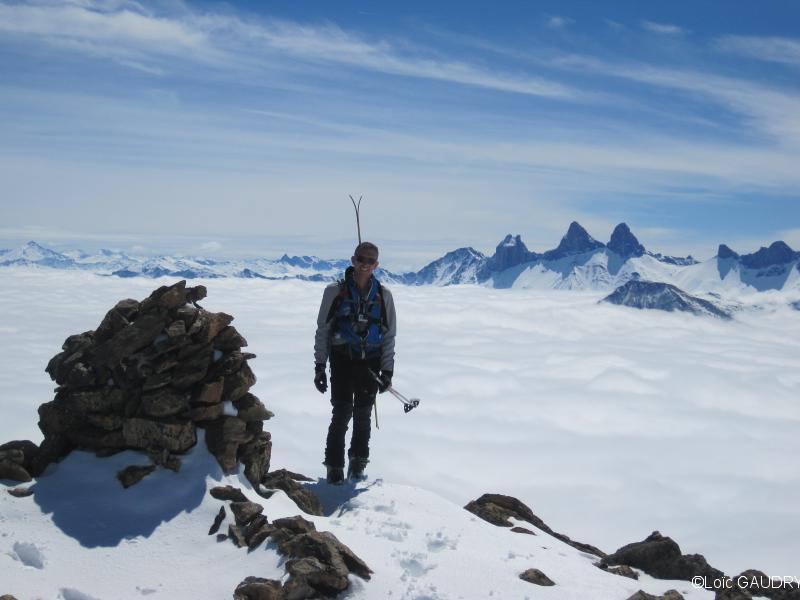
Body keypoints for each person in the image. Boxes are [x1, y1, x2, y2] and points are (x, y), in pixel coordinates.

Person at [313, 241, 397, 484]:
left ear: (376, 265)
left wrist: (387, 370)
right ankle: (334, 468)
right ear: (353, 260)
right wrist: (320, 366)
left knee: (363, 414)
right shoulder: (334, 292)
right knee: (341, 413)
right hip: (342, 359)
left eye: (370, 261)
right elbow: (323, 330)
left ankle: (358, 464)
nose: (365, 264)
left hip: (370, 362)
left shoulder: (384, 295)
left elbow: (389, 335)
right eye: (361, 259)